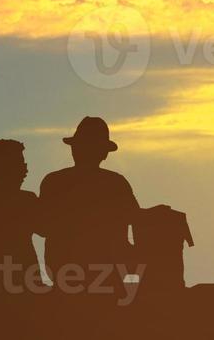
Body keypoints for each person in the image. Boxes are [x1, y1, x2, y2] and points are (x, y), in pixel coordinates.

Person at [38, 117, 140, 290]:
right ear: (104, 153)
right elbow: (137, 220)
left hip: (67, 274)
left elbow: (41, 226)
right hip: (105, 275)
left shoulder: (54, 181)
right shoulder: (116, 183)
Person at [0, 139, 42, 287]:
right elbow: (47, 228)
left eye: (23, 164)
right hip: (20, 278)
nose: (25, 170)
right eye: (19, 164)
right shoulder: (26, 200)